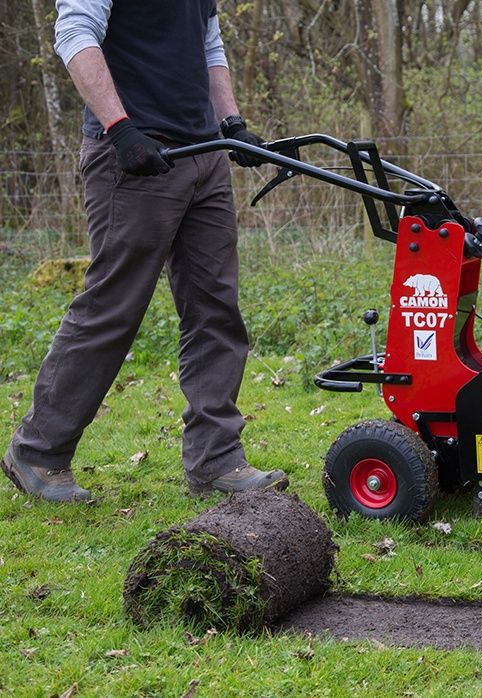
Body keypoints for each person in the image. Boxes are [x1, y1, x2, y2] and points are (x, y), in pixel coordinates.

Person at [0, 1, 289, 502]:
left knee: (215, 306)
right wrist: (120, 128)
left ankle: (215, 459)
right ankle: (39, 451)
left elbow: (208, 43)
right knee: (113, 306)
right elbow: (74, 34)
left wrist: (231, 122)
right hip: (134, 155)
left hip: (202, 152)